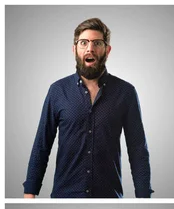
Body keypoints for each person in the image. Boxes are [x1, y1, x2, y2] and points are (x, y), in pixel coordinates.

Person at [23, 18, 153, 198]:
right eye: (83, 43)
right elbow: (41, 145)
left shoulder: (126, 92)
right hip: (64, 196)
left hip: (109, 196)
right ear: (74, 49)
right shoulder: (58, 91)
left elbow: (138, 149)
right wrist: (30, 193)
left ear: (107, 50)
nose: (90, 49)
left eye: (97, 43)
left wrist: (144, 197)